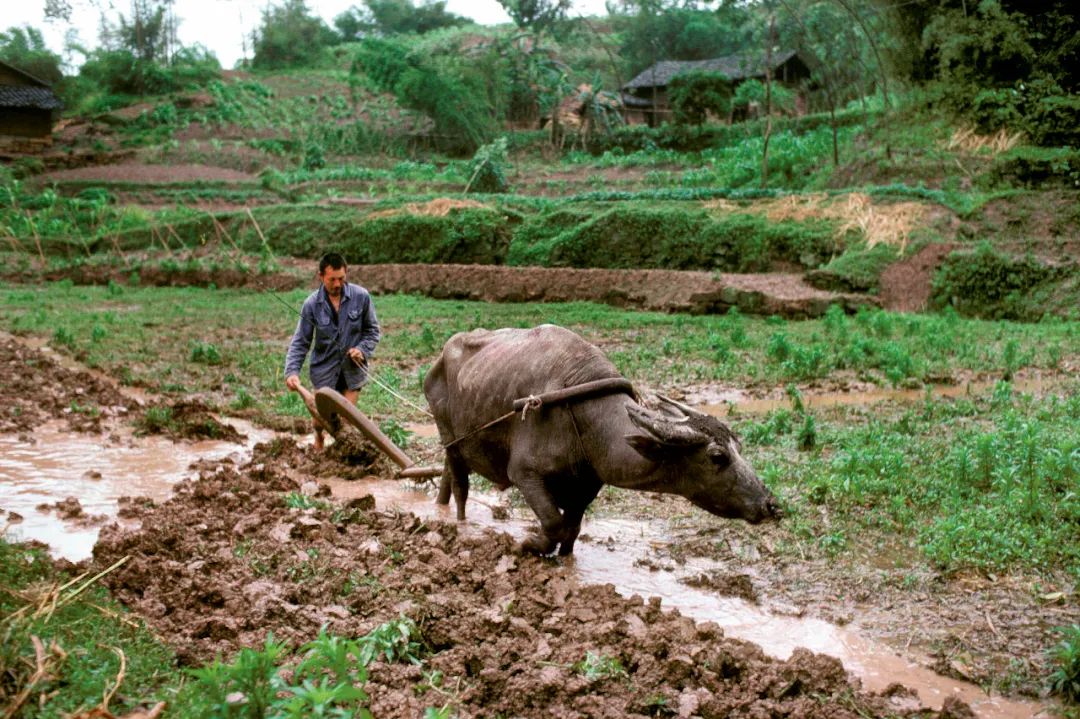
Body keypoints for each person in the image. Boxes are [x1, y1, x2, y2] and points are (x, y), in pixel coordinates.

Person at [285, 252, 380, 450]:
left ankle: (340, 455)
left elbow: (372, 331)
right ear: (320, 276)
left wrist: (361, 350)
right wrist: (292, 371)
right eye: (332, 280)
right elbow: (301, 341)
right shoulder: (311, 305)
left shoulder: (361, 297)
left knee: (346, 419)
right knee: (322, 421)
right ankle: (318, 436)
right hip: (324, 371)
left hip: (352, 371)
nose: (337, 284)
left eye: (341, 279)